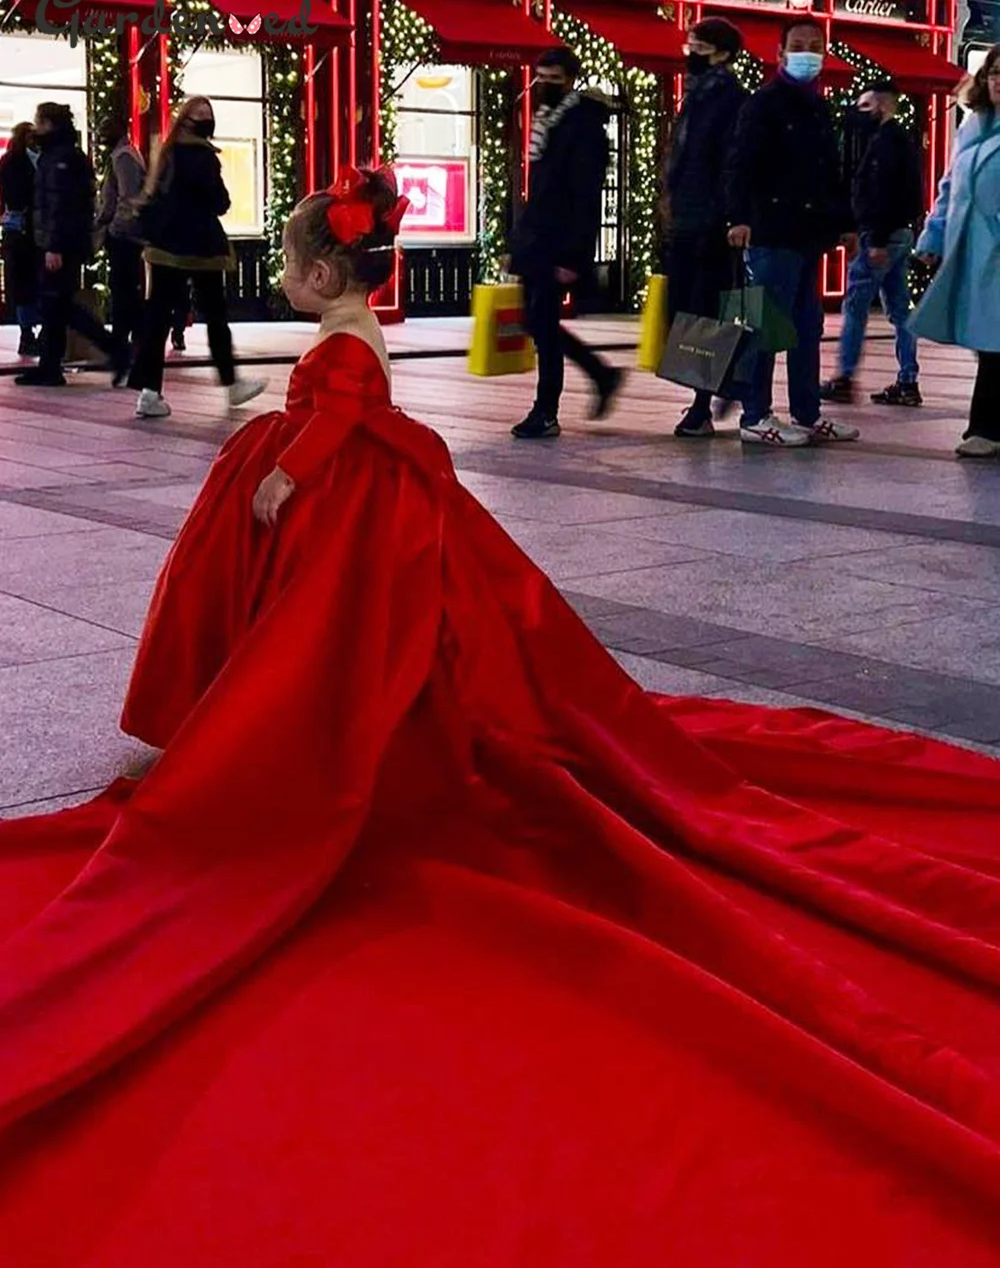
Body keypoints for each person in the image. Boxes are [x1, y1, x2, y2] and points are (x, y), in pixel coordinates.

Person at [0, 169, 999, 1267]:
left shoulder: (338, 343)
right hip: (382, 503)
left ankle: (309, 733)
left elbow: (336, 416)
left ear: (328, 273)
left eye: (289, 266)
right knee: (372, 639)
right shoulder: (353, 328)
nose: (282, 280)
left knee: (321, 643)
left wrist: (282, 480)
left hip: (341, 507)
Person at [726, 17, 860, 447]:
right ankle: (755, 414)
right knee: (766, 327)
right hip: (771, 231)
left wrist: (845, 223)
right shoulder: (763, 104)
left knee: (807, 326)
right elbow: (741, 164)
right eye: (798, 45)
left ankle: (806, 412)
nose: (808, 53)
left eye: (815, 45)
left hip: (808, 236)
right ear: (780, 54)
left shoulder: (818, 105)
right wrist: (739, 217)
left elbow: (829, 172)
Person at [127, 96, 265, 419]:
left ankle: (149, 391)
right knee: (215, 315)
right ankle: (232, 383)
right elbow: (220, 201)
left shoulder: (167, 152)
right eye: (203, 115)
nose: (207, 120)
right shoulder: (203, 157)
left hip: (163, 245)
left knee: (157, 318)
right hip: (201, 247)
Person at [508, 47, 621, 439]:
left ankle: (547, 410)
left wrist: (573, 255)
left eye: (553, 79)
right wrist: (518, 242)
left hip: (557, 244)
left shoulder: (583, 127)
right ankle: (601, 374)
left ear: (570, 80)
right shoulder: (547, 120)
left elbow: (585, 196)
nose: (544, 85)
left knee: (543, 323)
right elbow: (538, 190)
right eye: (540, 77)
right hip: (537, 240)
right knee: (535, 322)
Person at [910, 45, 1000, 458]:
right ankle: (985, 427)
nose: (999, 81)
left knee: (993, 340)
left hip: (994, 250)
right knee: (988, 340)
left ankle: (984, 427)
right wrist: (932, 237)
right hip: (974, 250)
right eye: (994, 72)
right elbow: (949, 187)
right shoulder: (974, 125)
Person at [663, 17, 747, 439]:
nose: (689, 51)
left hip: (711, 221)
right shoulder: (697, 95)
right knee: (685, 309)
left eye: (698, 45)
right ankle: (727, 381)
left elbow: (730, 161)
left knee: (706, 312)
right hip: (688, 216)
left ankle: (702, 404)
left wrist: (729, 216)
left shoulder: (729, 98)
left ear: (723, 53)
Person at [820, 82, 924, 407]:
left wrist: (875, 238)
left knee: (855, 305)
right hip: (899, 235)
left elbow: (881, 193)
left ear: (880, 107)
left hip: (882, 236)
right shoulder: (901, 140)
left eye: (864, 106)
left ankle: (844, 377)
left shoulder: (884, 144)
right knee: (898, 309)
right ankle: (908, 380)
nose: (858, 112)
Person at [18, 102, 126, 389]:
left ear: (49, 124)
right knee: (55, 306)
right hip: (63, 242)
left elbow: (59, 204)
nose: (35, 126)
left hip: (60, 244)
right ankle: (50, 366)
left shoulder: (59, 159)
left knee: (59, 305)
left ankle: (116, 350)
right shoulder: (61, 155)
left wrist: (53, 245)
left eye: (38, 121)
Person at [94, 114, 147, 366]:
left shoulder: (123, 156)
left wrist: (113, 228)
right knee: (126, 290)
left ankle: (123, 344)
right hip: (127, 234)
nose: (101, 134)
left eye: (106, 128)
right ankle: (128, 342)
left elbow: (128, 197)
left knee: (123, 291)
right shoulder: (124, 154)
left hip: (125, 235)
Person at [0, 121, 40, 358]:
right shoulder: (21, 164)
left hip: (17, 230)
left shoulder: (8, 162)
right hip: (25, 231)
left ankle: (28, 332)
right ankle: (28, 333)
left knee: (23, 284)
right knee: (28, 282)